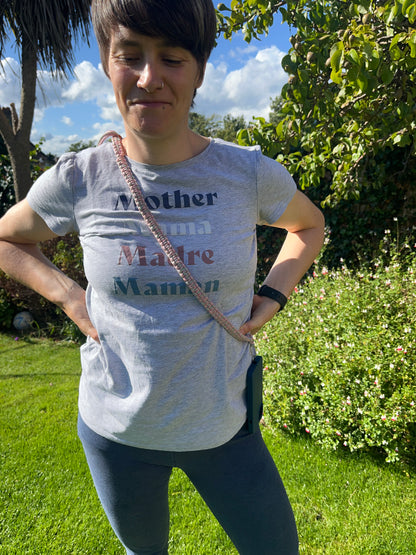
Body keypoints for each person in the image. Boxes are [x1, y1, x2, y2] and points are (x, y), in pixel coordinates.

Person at [0, 0, 325, 553]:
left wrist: (273, 294)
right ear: (107, 62)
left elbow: (309, 227)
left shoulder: (245, 173)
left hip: (225, 428)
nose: (149, 77)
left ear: (198, 72)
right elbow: (6, 237)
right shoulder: (79, 177)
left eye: (172, 58)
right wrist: (70, 296)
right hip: (115, 433)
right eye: (131, 55)